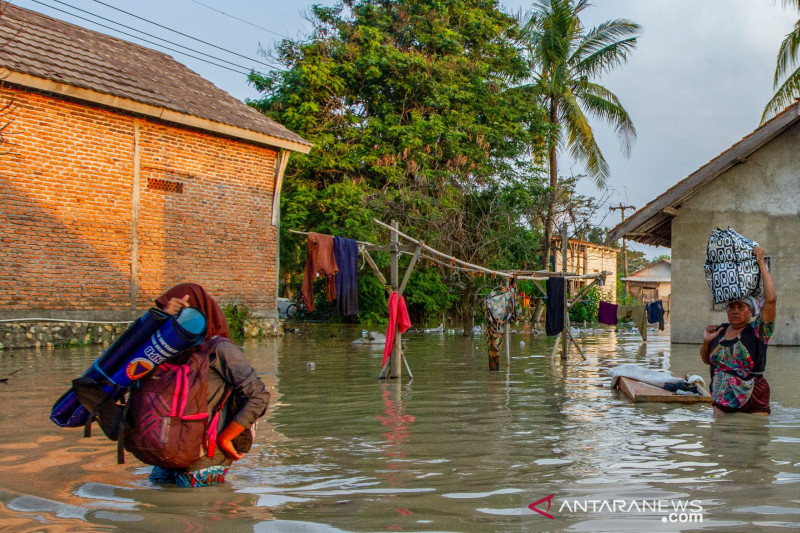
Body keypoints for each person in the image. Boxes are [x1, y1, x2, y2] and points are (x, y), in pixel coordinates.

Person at [149, 283, 270, 487]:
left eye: (176, 315)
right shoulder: (171, 353)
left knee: (197, 515)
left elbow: (259, 396)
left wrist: (225, 439)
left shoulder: (220, 349)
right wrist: (157, 320)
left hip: (204, 461)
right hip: (167, 457)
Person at [701, 246, 776, 415]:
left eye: (741, 306)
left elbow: (770, 300)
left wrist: (761, 263)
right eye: (731, 307)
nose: (735, 310)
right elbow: (707, 361)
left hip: (754, 396)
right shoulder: (720, 330)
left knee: (754, 436)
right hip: (723, 397)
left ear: (751, 311)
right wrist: (707, 341)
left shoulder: (758, 331)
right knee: (720, 437)